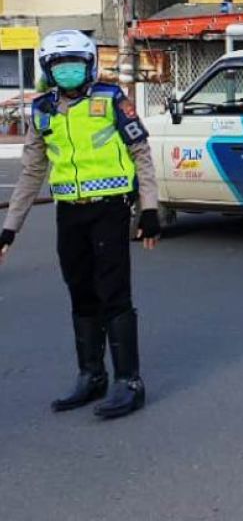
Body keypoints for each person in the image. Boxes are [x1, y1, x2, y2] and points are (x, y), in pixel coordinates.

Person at [0, 30, 160, 419]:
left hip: (110, 210)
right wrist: (10, 228)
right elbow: (31, 174)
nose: (67, 71)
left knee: (113, 292)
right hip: (69, 213)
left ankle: (129, 382)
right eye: (58, 65)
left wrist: (149, 210)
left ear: (88, 65)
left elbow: (141, 154)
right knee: (81, 293)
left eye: (73, 63)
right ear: (48, 70)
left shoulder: (112, 101)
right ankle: (91, 375)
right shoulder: (41, 111)